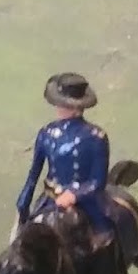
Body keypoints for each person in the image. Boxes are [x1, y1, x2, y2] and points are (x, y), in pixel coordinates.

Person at [16, 73, 118, 262]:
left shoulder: (96, 137)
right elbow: (34, 174)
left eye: (63, 104)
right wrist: (24, 200)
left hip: (86, 202)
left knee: (102, 241)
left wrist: (74, 195)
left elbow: (98, 181)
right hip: (51, 199)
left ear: (76, 107)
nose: (58, 108)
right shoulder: (46, 134)